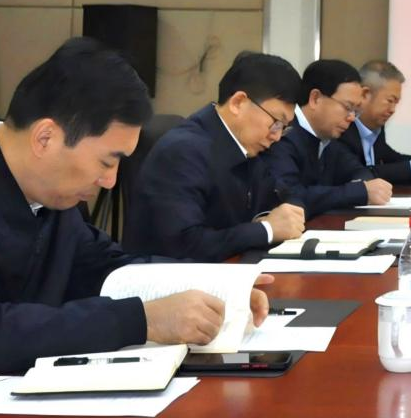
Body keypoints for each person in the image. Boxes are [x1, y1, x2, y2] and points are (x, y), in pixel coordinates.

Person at [0, 38, 271, 374]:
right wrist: (142, 321)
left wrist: (219, 288)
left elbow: (102, 266)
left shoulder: (54, 195)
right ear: (45, 138)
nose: (110, 181)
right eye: (106, 161)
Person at [124, 52, 307, 261]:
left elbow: (284, 194)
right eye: (276, 122)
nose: (277, 136)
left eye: (284, 127)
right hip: (164, 276)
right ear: (238, 103)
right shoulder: (183, 151)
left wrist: (280, 217)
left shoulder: (248, 146)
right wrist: (266, 230)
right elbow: (184, 244)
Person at [261, 59, 392, 217]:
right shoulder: (283, 135)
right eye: (347, 107)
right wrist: (358, 192)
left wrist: (364, 185)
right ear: (315, 98)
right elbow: (290, 196)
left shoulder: (329, 138)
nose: (351, 118)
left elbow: (358, 171)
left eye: (355, 111)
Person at [337, 60, 411, 185]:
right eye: (390, 101)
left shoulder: (376, 127)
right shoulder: (341, 128)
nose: (393, 110)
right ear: (365, 94)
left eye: (396, 103)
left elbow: (391, 158)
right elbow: (360, 174)